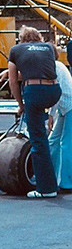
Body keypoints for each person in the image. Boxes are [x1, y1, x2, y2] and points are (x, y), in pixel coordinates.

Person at [0, 25, 61, 198]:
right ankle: (51, 179)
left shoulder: (16, 50)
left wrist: (21, 105)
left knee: (38, 141)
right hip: (54, 91)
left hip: (34, 92)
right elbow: (46, 67)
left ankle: (46, 189)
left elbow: (13, 81)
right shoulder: (49, 47)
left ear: (22, 39)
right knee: (43, 135)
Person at [48, 45, 72, 190]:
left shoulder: (54, 68)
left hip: (68, 106)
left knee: (65, 143)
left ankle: (66, 182)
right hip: (65, 107)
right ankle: (55, 177)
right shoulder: (58, 65)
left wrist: (51, 115)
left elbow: (55, 93)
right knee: (55, 141)